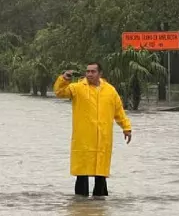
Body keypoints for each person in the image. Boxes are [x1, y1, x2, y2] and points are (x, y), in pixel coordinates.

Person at [54, 62, 132, 197]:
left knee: (100, 176)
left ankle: (99, 205)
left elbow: (119, 111)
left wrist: (126, 127)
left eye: (93, 71)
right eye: (88, 71)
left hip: (103, 139)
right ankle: (80, 205)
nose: (89, 74)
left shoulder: (110, 91)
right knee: (82, 175)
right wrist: (64, 79)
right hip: (84, 140)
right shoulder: (77, 88)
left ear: (100, 73)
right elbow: (60, 92)